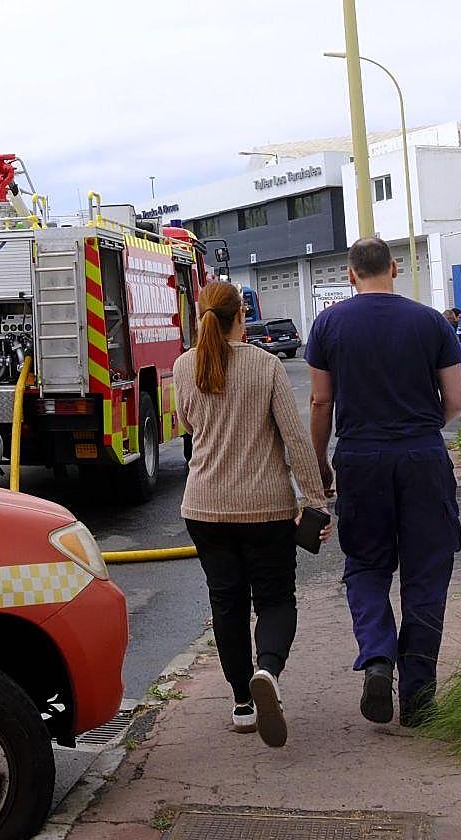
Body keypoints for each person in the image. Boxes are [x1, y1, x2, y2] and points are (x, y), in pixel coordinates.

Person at [306, 237, 461, 727]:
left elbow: (320, 403)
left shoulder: (329, 324)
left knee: (366, 566)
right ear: (394, 269)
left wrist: (320, 462)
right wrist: (422, 429)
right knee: (426, 573)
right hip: (421, 455)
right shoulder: (431, 322)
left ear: (351, 274)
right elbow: (455, 400)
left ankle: (377, 657)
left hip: (360, 457)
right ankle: (418, 698)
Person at [173, 279, 332, 749]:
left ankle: (243, 703)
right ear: (241, 315)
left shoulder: (184, 367)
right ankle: (268, 669)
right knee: (276, 598)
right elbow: (295, 440)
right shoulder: (265, 367)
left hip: (203, 507)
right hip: (265, 510)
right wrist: (315, 503)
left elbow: (188, 425)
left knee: (226, 602)